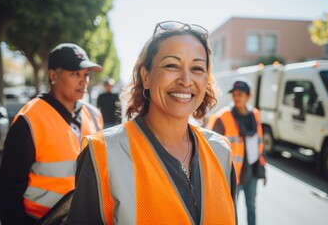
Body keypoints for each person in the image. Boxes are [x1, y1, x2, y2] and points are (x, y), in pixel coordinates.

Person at [67, 21, 238, 224]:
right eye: (171, 65)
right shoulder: (103, 153)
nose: (186, 79)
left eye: (197, 68)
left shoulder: (222, 151)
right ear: (145, 77)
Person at [0, 43, 104, 225]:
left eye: (86, 74)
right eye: (75, 74)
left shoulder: (94, 115)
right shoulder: (28, 119)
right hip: (41, 220)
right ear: (53, 76)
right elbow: (9, 190)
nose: (84, 81)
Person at [207, 78, 266, 225]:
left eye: (240, 93)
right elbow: (210, 150)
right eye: (234, 94)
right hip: (233, 175)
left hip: (252, 172)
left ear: (249, 95)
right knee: (231, 211)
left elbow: (259, 143)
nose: (236, 97)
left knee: (251, 207)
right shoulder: (223, 117)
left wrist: (262, 168)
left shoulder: (255, 114)